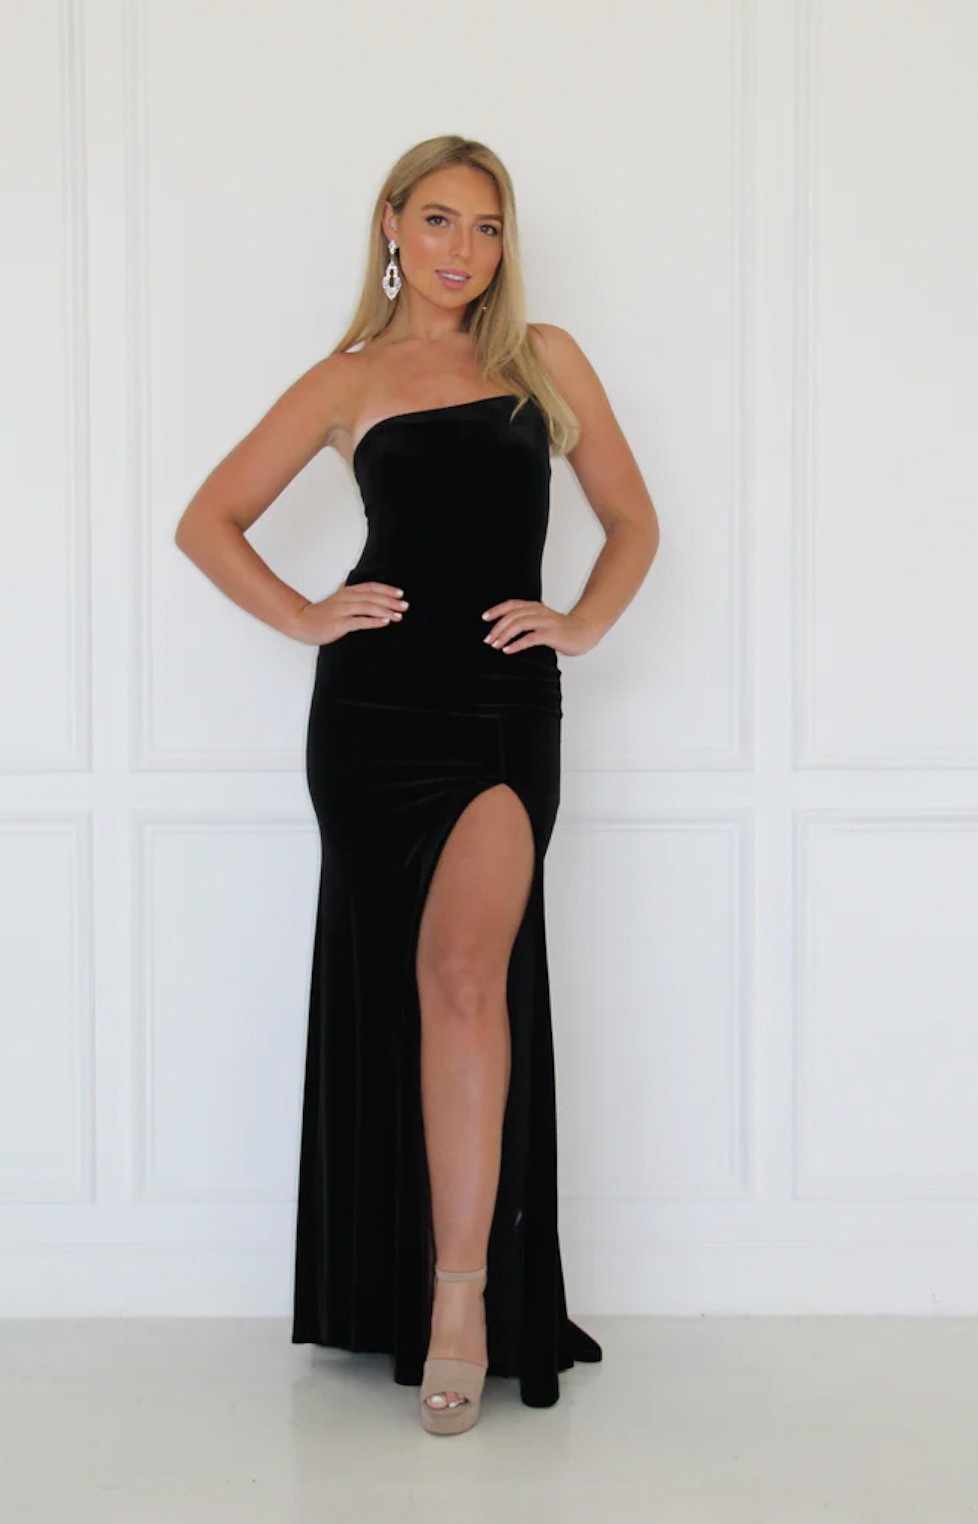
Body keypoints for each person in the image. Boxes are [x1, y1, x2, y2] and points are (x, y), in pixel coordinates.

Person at [174, 134, 659, 1435]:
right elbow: (207, 520)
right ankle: (419, 1284)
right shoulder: (347, 379)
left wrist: (582, 623)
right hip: (374, 716)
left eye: (487, 227)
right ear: (392, 224)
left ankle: (460, 1300)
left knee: (463, 975)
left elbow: (633, 520)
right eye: (439, 220)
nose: (463, 249)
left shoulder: (542, 359)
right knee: (409, 984)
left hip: (503, 708)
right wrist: (303, 613)